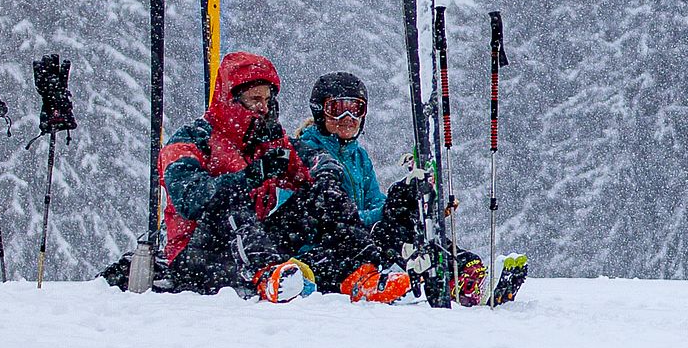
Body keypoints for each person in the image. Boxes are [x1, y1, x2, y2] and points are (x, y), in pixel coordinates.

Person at [158, 52, 411, 304]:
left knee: (320, 195)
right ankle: (266, 273)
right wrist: (253, 175)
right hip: (198, 256)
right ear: (232, 99)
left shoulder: (264, 140)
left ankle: (361, 273)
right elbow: (190, 199)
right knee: (231, 199)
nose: (264, 107)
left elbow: (310, 159)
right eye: (255, 99)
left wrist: (326, 177)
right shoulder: (193, 139)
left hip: (251, 243)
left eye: (267, 99)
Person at [293, 71, 528, 307]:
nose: (348, 117)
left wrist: (415, 205)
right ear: (319, 111)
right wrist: (393, 208)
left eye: (356, 109)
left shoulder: (358, 156)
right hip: (325, 251)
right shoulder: (309, 155)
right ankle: (454, 279)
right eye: (337, 109)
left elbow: (376, 204)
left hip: (357, 242)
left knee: (406, 219)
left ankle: (465, 270)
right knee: (388, 227)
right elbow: (336, 221)